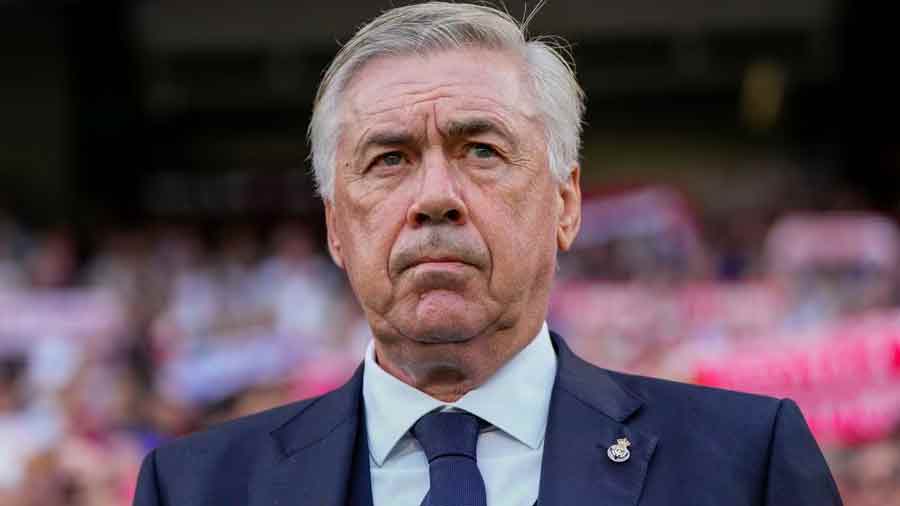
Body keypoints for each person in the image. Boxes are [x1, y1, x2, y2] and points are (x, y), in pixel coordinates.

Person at [133, 2, 843, 505]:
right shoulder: (194, 488)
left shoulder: (745, 463)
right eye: (389, 159)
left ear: (566, 204)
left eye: (481, 150)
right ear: (335, 229)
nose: (434, 197)